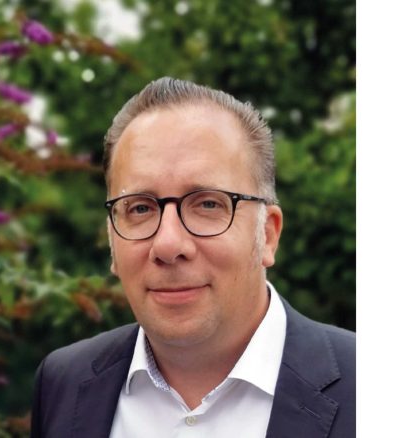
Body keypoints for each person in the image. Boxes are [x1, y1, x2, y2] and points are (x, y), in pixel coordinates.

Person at [31, 77, 355, 438]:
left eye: (208, 204)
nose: (168, 244)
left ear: (267, 235)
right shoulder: (63, 384)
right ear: (111, 239)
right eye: (140, 208)